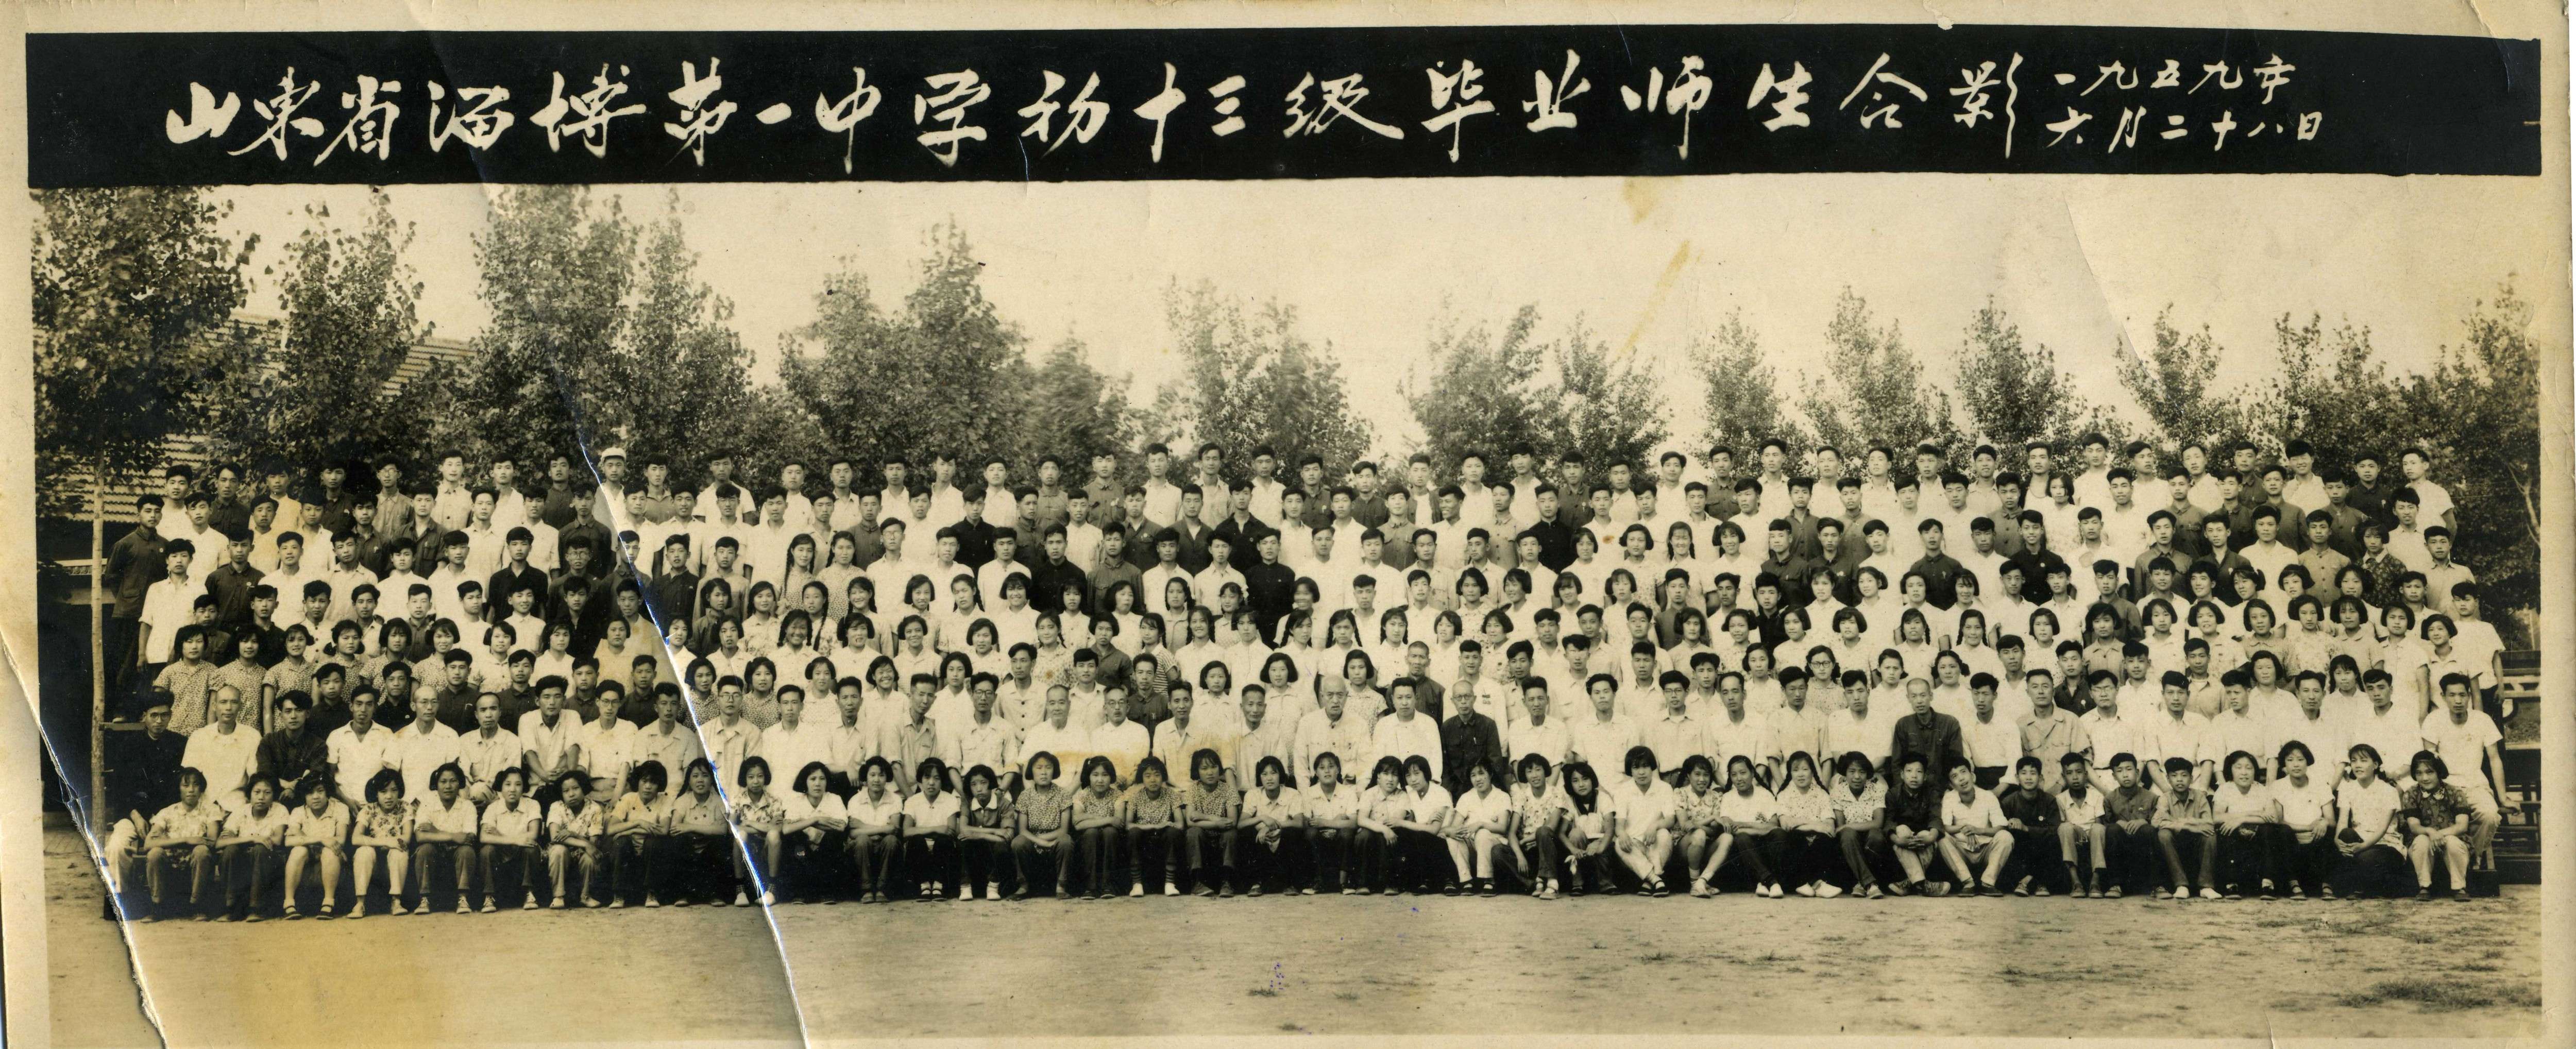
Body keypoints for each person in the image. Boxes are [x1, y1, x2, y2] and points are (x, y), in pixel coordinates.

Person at [2330, 744, 2411, 899]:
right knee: (2346, 834)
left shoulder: (2389, 791)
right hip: (2359, 842)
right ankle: (2364, 885)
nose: (2358, 765)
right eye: (2354, 761)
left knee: (2366, 858)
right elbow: (2342, 822)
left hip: (2386, 844)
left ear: (2375, 765)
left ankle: (2363, 885)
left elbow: (2382, 830)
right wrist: (2337, 841)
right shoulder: (2347, 789)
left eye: (2363, 760)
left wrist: (2362, 847)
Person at [2400, 750, 2477, 902]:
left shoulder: (2455, 792)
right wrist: (2430, 832)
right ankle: (2424, 886)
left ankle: (2459, 887)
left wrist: (2440, 834)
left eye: (2430, 772)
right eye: (2419, 773)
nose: (2425, 778)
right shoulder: (2411, 794)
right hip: (2424, 842)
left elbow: (2462, 826)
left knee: (2452, 841)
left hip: (2452, 840)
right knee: (2422, 840)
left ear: (2439, 772)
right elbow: (2414, 827)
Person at [216, 774, 291, 921]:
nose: (261, 797)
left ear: (274, 795)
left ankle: (256, 908)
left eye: (267, 793)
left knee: (260, 849)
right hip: (243, 862)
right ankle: (231, 907)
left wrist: (250, 841)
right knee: (231, 850)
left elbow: (277, 839)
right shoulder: (241, 811)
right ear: (250, 794)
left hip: (268, 861)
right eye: (257, 792)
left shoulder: (279, 810)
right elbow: (220, 843)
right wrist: (253, 838)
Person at [277, 775, 350, 919]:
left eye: (320, 791)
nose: (315, 797)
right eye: (310, 793)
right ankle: (289, 904)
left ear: (327, 793)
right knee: (298, 850)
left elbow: (341, 839)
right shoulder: (299, 811)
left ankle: (328, 903)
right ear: (304, 796)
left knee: (330, 851)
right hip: (307, 859)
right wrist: (322, 839)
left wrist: (304, 837)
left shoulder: (340, 808)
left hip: (333, 860)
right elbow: (289, 841)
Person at [1937, 758, 2013, 896]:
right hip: (1963, 851)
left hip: (1986, 850)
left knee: (2006, 837)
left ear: (1972, 776)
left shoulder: (1988, 796)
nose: (1961, 779)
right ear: (1951, 785)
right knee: (1942, 839)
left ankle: (1988, 883)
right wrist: (1965, 828)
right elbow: (1947, 827)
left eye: (1963, 772)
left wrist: (1978, 830)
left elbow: (2001, 827)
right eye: (1955, 776)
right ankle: (1968, 883)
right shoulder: (1949, 798)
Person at [346, 768, 414, 919]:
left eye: (394, 790)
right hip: (374, 863)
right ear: (376, 793)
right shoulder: (369, 809)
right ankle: (360, 904)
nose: (389, 796)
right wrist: (387, 842)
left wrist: (393, 844)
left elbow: (407, 837)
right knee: (364, 851)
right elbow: (356, 838)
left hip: (394, 863)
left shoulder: (404, 807)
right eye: (383, 792)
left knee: (399, 850)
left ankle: (396, 902)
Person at [1238, 755, 1308, 896]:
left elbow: (1299, 822)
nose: (1269, 778)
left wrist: (1271, 826)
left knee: (1294, 833)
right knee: (1246, 833)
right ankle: (1256, 884)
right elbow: (1241, 824)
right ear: (1260, 777)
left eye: (1273, 773)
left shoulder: (1292, 794)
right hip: (1262, 845)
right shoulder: (1253, 794)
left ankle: (1292, 884)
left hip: (1283, 843)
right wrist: (1262, 818)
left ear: (1280, 775)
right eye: (1264, 774)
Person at [1010, 751, 1075, 900]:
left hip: (1055, 842)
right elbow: (1023, 831)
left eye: (1048, 767)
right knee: (1018, 842)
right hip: (1032, 843)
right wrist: (1042, 842)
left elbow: (1064, 830)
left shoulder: (1063, 795)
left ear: (1055, 771)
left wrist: (1045, 840)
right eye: (1039, 768)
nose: (1044, 772)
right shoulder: (1025, 796)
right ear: (1031, 772)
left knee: (1066, 840)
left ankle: (1061, 886)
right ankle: (1023, 886)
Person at [2154, 756, 2221, 901]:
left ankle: (2206, 886)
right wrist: (2188, 826)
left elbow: (2208, 823)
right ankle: (2181, 885)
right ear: (2168, 779)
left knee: (2210, 834)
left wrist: (2183, 823)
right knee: (2164, 834)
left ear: (2191, 779)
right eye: (2174, 776)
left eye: (2184, 776)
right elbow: (2156, 822)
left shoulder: (2200, 797)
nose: (2179, 780)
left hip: (2196, 843)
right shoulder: (2165, 798)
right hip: (2175, 842)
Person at [477, 767, 543, 911]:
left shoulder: (532, 805)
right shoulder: (493, 808)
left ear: (524, 787)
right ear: (501, 787)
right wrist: (515, 840)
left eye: (518, 784)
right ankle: (489, 896)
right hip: (501, 854)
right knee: (487, 850)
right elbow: (484, 837)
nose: (513, 789)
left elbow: (533, 834)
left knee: (531, 847)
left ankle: (529, 893)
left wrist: (500, 836)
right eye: (508, 784)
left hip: (522, 853)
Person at [900, 757, 961, 902]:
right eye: (927, 778)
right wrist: (936, 829)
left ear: (942, 781)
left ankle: (939, 886)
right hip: (919, 849)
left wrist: (923, 830)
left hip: (942, 849)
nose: (931, 783)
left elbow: (950, 831)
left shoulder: (950, 800)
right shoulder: (913, 801)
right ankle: (925, 886)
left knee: (943, 841)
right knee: (917, 840)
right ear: (921, 780)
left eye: (937, 778)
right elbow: (906, 832)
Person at [847, 756, 906, 903]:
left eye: (881, 775)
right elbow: (853, 833)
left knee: (891, 840)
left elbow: (894, 829)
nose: (877, 780)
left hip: (885, 847)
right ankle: (866, 889)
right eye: (872, 775)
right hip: (861, 849)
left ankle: (882, 889)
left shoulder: (895, 799)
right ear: (866, 778)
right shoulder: (855, 800)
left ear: (887, 778)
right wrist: (883, 828)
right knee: (862, 840)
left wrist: (863, 826)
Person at [1123, 755, 1183, 897]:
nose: (1153, 780)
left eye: (1157, 775)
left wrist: (1166, 826)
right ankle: (1137, 884)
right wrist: (1154, 826)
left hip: (1164, 838)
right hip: (1143, 839)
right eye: (1148, 776)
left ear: (1163, 777)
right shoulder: (1135, 797)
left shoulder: (1172, 796)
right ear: (1142, 778)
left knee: (1173, 832)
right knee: (1133, 833)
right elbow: (1128, 825)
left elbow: (1180, 824)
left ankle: (1170, 883)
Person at [545, 772, 607, 908]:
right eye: (566, 791)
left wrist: (574, 835)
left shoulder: (595, 808)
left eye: (576, 788)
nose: (571, 794)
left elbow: (593, 844)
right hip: (563, 851)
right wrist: (584, 843)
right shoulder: (557, 807)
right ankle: (558, 897)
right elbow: (555, 836)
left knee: (590, 857)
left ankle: (586, 896)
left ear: (583, 788)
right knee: (559, 850)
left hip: (583, 852)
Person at [1180, 749, 1238, 896]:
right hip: (1203, 838)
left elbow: (1232, 821)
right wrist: (1215, 821)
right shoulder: (1193, 790)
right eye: (1204, 769)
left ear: (1220, 768)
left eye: (1214, 767)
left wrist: (1202, 816)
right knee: (1193, 832)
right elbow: (1190, 822)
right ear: (1197, 771)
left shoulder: (1228, 790)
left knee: (1231, 833)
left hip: (1222, 838)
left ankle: (1227, 882)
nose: (1210, 773)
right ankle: (1197, 883)